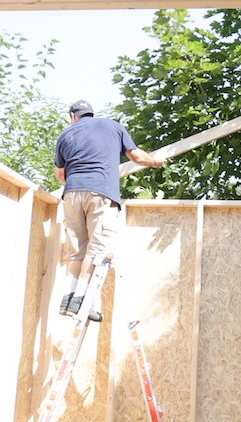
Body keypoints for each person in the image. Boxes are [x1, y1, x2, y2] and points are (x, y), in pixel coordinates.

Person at [54, 100, 165, 322]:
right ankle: (81, 302)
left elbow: (60, 175)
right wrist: (156, 162)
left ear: (73, 117)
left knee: (77, 249)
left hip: (72, 193)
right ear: (91, 114)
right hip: (101, 193)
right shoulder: (113, 127)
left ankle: (68, 300)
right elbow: (138, 157)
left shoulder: (65, 135)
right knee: (97, 250)